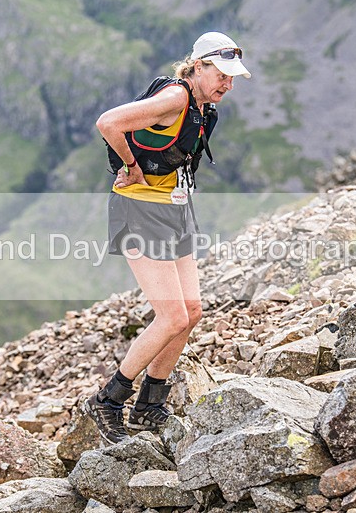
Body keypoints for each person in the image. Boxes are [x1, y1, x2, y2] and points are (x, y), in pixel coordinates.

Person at [85, 32, 251, 445]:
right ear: (198, 67)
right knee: (172, 316)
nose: (228, 84)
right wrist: (131, 166)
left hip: (174, 208)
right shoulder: (177, 97)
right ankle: (107, 401)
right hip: (140, 209)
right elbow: (108, 123)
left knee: (191, 311)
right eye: (222, 74)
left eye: (233, 77)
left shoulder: (202, 105)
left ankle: (149, 404)